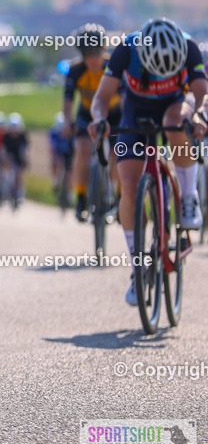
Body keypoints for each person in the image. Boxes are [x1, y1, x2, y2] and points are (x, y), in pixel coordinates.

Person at [89, 18, 207, 306]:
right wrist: (100, 120)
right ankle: (138, 268)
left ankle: (188, 197)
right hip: (136, 111)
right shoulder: (126, 51)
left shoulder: (190, 47)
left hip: (175, 105)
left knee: (174, 121)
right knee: (129, 188)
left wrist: (199, 116)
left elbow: (202, 94)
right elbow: (101, 99)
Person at [63, 24, 121, 221]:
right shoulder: (75, 71)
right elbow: (68, 101)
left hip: (114, 115)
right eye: (87, 54)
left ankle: (120, 196)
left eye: (96, 53)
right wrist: (67, 123)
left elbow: (124, 98)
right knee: (82, 149)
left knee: (118, 153)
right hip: (87, 115)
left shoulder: (114, 66)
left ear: (104, 49)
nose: (93, 59)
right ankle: (81, 197)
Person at [1, 113, 28, 205]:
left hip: (18, 156)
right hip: (9, 155)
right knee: (6, 169)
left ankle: (20, 193)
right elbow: (3, 149)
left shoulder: (22, 136)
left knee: (19, 174)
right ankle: (5, 188)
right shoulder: (6, 136)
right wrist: (4, 158)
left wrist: (25, 157)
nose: (14, 131)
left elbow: (26, 149)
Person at [48, 112, 74, 192]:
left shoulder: (72, 135)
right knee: (55, 163)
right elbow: (51, 148)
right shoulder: (54, 134)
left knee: (69, 173)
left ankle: (69, 192)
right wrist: (54, 157)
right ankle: (56, 180)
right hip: (58, 153)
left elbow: (75, 149)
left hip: (69, 155)